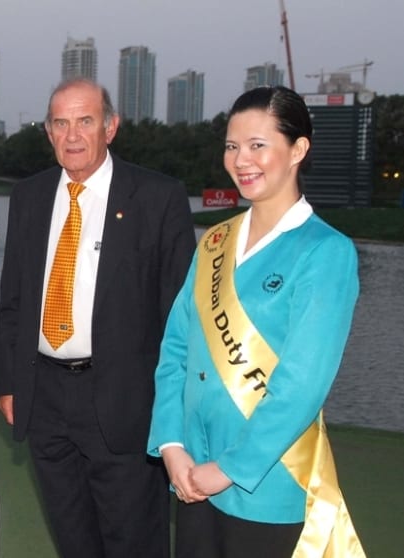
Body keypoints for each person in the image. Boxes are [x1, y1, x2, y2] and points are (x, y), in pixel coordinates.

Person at [148, 86, 365, 557]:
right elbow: (176, 349)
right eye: (232, 146)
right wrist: (170, 445)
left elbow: (301, 385)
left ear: (298, 150)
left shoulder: (325, 252)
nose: (241, 159)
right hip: (191, 470)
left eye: (257, 145)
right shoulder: (214, 241)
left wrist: (227, 468)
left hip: (264, 481)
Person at [0, 78, 195, 557]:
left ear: (111, 127)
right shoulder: (30, 196)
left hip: (124, 402)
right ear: (48, 132)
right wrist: (9, 383)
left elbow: (180, 316)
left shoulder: (157, 197)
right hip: (44, 399)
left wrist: (172, 407)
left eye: (85, 121)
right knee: (73, 538)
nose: (73, 135)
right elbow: (14, 301)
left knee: (134, 542)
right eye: (60, 123)